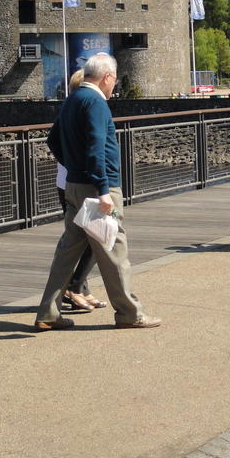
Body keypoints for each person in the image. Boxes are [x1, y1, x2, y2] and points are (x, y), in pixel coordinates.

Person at [35, 53, 160, 331]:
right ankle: (130, 313)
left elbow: (53, 140)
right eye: (113, 80)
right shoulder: (96, 103)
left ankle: (48, 312)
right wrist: (103, 189)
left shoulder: (73, 99)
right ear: (107, 77)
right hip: (97, 188)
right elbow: (96, 147)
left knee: (67, 251)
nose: (113, 86)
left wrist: (75, 167)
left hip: (75, 186)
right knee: (114, 250)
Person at [55, 69, 108, 312]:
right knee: (94, 239)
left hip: (69, 182)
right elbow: (95, 148)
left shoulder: (72, 106)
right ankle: (75, 288)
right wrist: (76, 165)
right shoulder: (87, 105)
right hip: (80, 183)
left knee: (83, 239)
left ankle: (79, 290)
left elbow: (53, 139)